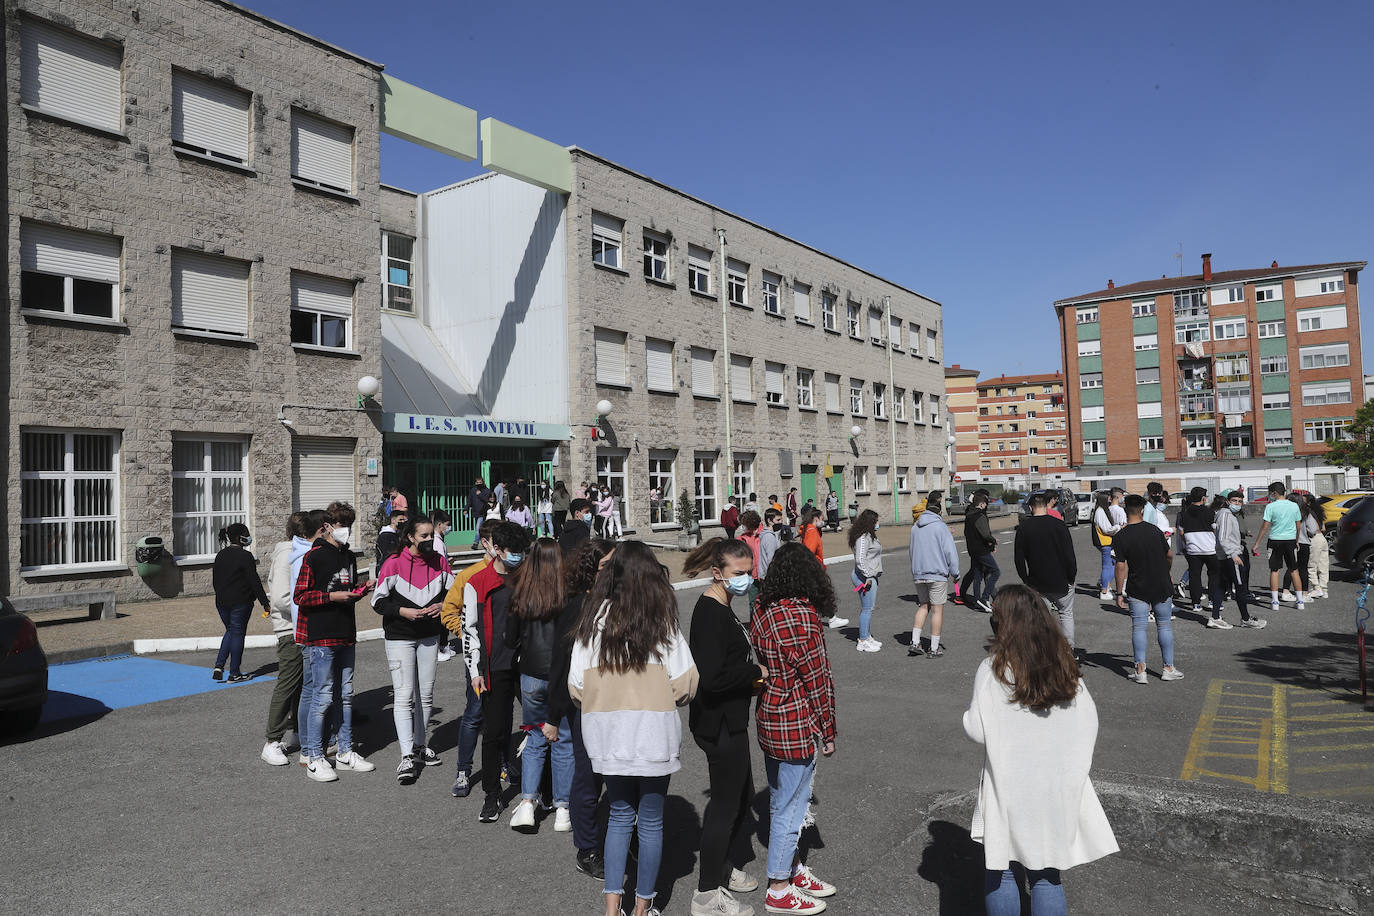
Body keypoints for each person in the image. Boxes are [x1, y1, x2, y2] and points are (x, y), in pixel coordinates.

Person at [964, 585, 1118, 915]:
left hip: (1007, 786)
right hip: (1054, 786)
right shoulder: (1065, 668)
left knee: (1002, 869)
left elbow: (976, 730)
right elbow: (1088, 723)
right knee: (1047, 875)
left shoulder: (993, 669)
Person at [569, 541, 699, 916]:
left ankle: (612, 906)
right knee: (652, 822)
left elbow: (576, 686)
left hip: (607, 734)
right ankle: (642, 907)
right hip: (653, 733)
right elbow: (685, 685)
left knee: (620, 816)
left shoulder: (592, 620)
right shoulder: (662, 620)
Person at [752, 543, 839, 915]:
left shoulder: (762, 610)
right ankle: (778, 887)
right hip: (795, 719)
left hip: (769, 714)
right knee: (792, 805)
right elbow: (817, 680)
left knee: (779, 798)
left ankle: (792, 868)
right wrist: (828, 730)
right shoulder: (802, 618)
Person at [682, 538, 765, 916]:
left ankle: (724, 868)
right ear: (718, 573)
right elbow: (713, 678)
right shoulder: (709, 613)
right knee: (725, 806)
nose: (745, 579)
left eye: (749, 572)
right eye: (738, 574)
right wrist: (754, 673)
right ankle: (705, 894)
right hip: (717, 723)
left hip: (731, 720)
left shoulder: (724, 604)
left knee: (742, 795)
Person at [293, 502, 377, 782]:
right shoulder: (313, 557)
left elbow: (346, 588)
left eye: (350, 525)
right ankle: (315, 756)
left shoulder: (349, 557)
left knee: (346, 695)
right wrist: (331, 597)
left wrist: (359, 591)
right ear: (327, 527)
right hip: (321, 636)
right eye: (342, 525)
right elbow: (301, 597)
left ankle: (345, 751)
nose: (347, 531)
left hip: (346, 633)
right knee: (322, 696)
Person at [548, 538, 615, 880]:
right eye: (606, 566)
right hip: (584, 706)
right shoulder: (576, 605)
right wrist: (551, 715)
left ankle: (618, 838)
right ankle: (587, 848)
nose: (612, 573)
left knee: (617, 775)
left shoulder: (616, 602)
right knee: (588, 777)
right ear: (591, 568)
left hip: (617, 704)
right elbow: (560, 663)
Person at [372, 515, 453, 784]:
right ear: (410, 537)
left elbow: (454, 595)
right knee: (404, 695)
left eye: (432, 535)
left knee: (426, 694)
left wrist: (442, 606)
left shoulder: (440, 562)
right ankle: (406, 755)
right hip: (399, 637)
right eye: (424, 536)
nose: (430, 540)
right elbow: (378, 602)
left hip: (430, 636)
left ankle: (420, 746)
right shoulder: (393, 564)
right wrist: (402, 611)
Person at [504, 538, 575, 832]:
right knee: (563, 741)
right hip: (563, 674)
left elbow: (510, 639)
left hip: (531, 672)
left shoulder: (521, 593)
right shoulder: (568, 594)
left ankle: (527, 803)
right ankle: (562, 808)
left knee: (534, 738)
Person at [463, 521, 532, 822]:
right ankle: (492, 794)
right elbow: (470, 630)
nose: (518, 557)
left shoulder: (527, 579)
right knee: (495, 731)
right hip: (494, 667)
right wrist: (475, 670)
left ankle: (540, 790)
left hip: (528, 665)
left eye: (522, 552)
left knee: (541, 728)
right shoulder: (477, 583)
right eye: (513, 552)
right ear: (497, 550)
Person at [440, 518, 502, 799]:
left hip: (505, 659)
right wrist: (467, 633)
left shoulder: (513, 572)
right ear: (486, 544)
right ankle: (463, 770)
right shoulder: (469, 576)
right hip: (477, 659)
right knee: (475, 713)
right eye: (498, 544)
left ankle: (502, 764)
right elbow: (447, 612)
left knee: (500, 716)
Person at [1112, 495, 1185, 683]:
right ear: (1143, 510)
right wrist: (1166, 570)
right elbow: (1169, 555)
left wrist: (1119, 593)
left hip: (1138, 585)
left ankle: (1140, 670)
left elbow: (1120, 566)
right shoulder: (1154, 530)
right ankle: (1168, 668)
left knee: (1139, 627)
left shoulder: (1121, 536)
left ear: (1125, 509)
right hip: (1161, 583)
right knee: (1164, 625)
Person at [262, 513, 309, 766]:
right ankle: (272, 741)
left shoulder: (298, 551)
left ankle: (298, 733)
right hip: (289, 629)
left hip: (301, 627)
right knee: (288, 683)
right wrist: (312, 608)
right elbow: (280, 598)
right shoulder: (286, 554)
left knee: (301, 685)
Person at [1013, 492, 1078, 650]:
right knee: (1065, 613)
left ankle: (1044, 650)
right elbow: (1069, 554)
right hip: (1061, 579)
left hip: (1037, 581)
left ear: (1031, 507)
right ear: (1046, 506)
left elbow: (1019, 559)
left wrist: (1025, 579)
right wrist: (1071, 576)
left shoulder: (1024, 528)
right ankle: (1068, 649)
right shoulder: (1059, 525)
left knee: (1041, 617)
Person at [211, 523, 270, 683]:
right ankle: (234, 673)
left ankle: (219, 665)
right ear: (240, 537)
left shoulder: (220, 555)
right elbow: (254, 581)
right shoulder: (245, 556)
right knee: (237, 634)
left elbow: (215, 580)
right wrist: (265, 602)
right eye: (247, 533)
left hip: (221, 602)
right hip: (240, 602)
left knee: (230, 630)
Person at [909, 490, 959, 658]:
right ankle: (934, 647)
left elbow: (912, 551)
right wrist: (955, 572)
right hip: (937, 573)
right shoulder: (941, 527)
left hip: (919, 573)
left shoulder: (915, 528)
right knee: (937, 610)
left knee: (923, 606)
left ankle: (915, 642)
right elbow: (950, 552)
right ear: (939, 511)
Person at [1175, 487, 1229, 628]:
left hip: (1193, 549)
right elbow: (1215, 529)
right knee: (1213, 575)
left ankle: (1196, 604)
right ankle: (1212, 601)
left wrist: (1187, 543)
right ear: (1203, 498)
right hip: (1209, 548)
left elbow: (1181, 532)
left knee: (1194, 576)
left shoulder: (1184, 513)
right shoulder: (1209, 512)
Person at [1213, 491, 1266, 629]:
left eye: (1240, 501)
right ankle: (1246, 619)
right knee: (1240, 587)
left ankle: (1215, 617)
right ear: (1227, 501)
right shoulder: (1225, 514)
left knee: (1221, 586)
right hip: (1231, 556)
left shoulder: (1227, 514)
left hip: (1226, 555)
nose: (1237, 504)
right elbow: (1223, 537)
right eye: (1234, 500)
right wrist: (1233, 554)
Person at [1254, 481, 1305, 611]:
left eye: (1270, 493)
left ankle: (1275, 602)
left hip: (1275, 540)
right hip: (1290, 541)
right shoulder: (1294, 506)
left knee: (1274, 570)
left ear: (1274, 493)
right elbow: (1298, 525)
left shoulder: (1271, 507)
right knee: (1294, 570)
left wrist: (1257, 544)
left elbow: (1265, 527)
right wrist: (1297, 540)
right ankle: (1300, 601)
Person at [848, 509, 884, 652]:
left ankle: (867, 636)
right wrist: (868, 576)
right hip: (864, 578)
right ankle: (862, 640)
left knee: (869, 608)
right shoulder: (863, 538)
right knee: (867, 609)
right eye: (876, 521)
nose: (878, 523)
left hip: (870, 577)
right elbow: (860, 560)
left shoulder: (870, 535)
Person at [959, 489, 999, 614]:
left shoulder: (969, 515)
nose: (986, 505)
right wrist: (993, 541)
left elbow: (967, 533)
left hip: (972, 549)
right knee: (995, 571)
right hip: (982, 549)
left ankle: (977, 600)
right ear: (981, 504)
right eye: (986, 503)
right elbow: (985, 534)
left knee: (977, 575)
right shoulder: (980, 516)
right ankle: (985, 597)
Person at [1091, 491, 1125, 601]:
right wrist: (1120, 527)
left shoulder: (1101, 510)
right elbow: (1107, 529)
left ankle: (1105, 584)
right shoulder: (1100, 512)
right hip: (1105, 542)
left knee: (1112, 563)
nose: (1110, 499)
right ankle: (1104, 589)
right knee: (1107, 565)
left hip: (1108, 542)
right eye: (1108, 498)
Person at [1292, 494, 1324, 602]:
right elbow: (1313, 529)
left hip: (1289, 543)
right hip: (1303, 542)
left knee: (1291, 569)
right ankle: (1304, 593)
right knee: (1303, 569)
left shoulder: (1288, 513)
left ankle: (1288, 591)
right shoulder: (1305, 513)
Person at [1304, 495, 1330, 600]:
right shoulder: (1318, 511)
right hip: (1322, 539)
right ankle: (1324, 589)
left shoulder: (1308, 512)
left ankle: (1316, 588)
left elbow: (1312, 529)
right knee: (1323, 566)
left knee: (1311, 565)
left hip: (1314, 539)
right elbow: (1323, 528)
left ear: (1308, 503)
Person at [758, 508, 785, 581]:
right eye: (778, 520)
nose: (780, 522)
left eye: (781, 520)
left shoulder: (771, 535)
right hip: (769, 576)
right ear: (769, 521)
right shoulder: (769, 537)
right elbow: (771, 558)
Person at [469, 477, 492, 548]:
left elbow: (488, 500)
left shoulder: (487, 490)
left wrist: (480, 495)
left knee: (478, 528)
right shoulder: (473, 490)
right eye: (477, 483)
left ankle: (476, 543)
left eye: (480, 482)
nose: (479, 484)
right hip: (476, 512)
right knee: (482, 529)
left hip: (483, 512)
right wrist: (466, 509)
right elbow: (470, 499)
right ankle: (484, 543)